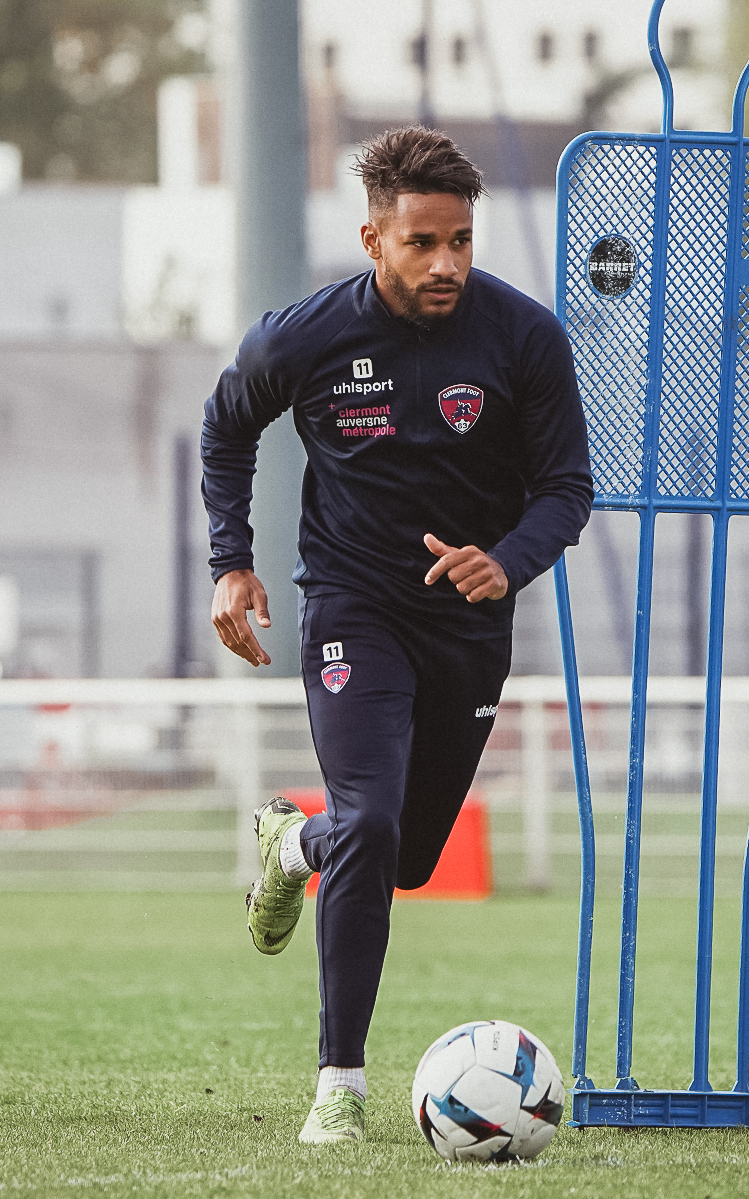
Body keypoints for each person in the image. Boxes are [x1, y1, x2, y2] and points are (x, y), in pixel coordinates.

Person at [200, 126, 592, 1144]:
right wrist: (230, 563)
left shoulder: (524, 339)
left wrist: (504, 560)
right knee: (369, 825)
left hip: (467, 628)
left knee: (405, 858)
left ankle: (291, 844)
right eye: (423, 242)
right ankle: (340, 1086)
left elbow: (565, 492)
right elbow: (225, 425)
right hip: (349, 608)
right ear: (373, 237)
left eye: (461, 239)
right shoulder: (304, 338)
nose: (447, 263)